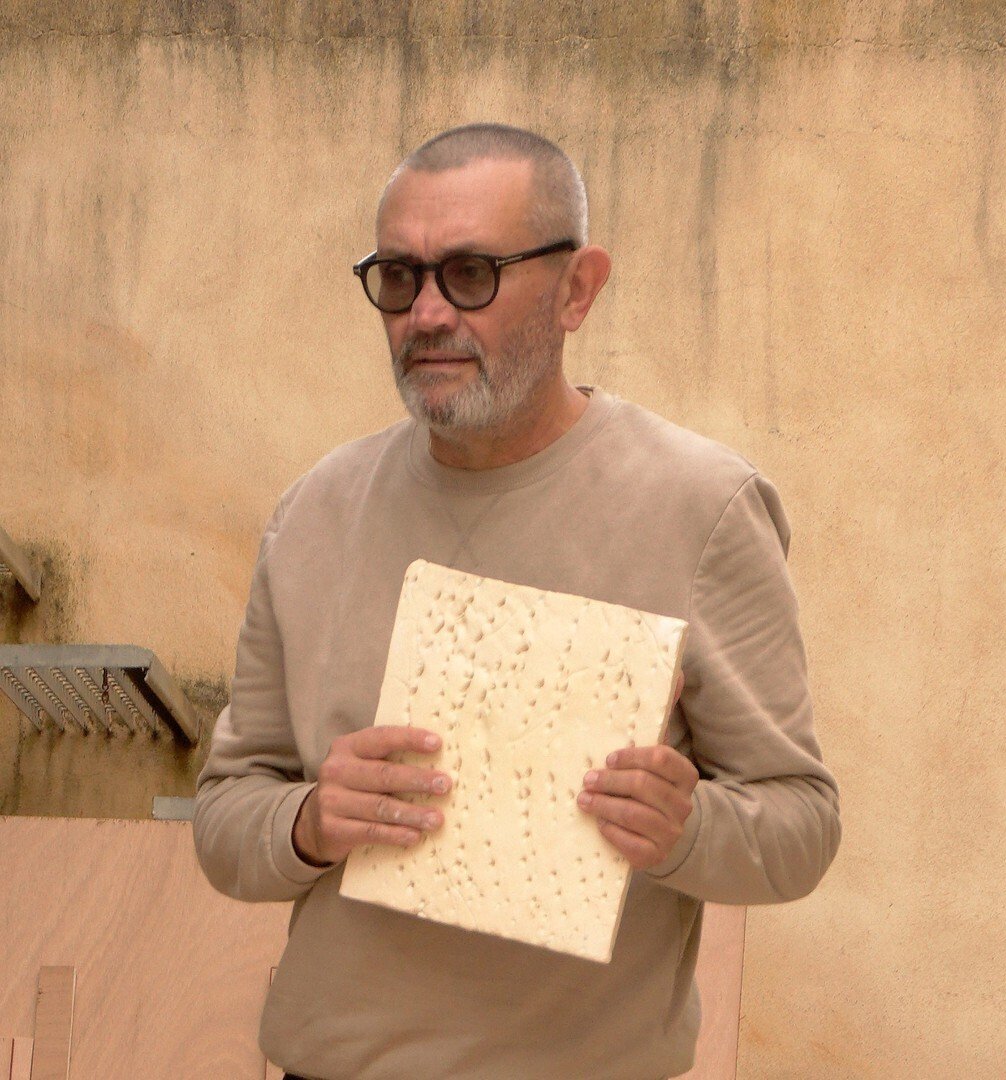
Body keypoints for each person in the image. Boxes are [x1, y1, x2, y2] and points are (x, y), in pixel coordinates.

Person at [193, 123, 840, 1080]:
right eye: (399, 277)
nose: (427, 314)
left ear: (578, 288)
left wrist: (686, 829)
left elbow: (800, 826)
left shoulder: (702, 508)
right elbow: (223, 815)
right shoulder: (314, 512)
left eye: (470, 274)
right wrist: (310, 823)